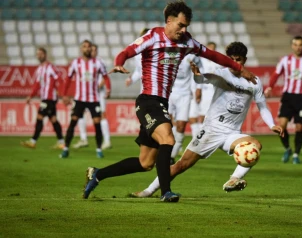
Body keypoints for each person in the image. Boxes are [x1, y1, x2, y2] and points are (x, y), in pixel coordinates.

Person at [81, 1, 256, 203]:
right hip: (147, 101)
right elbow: (127, 51)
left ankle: (97, 174)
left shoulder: (187, 42)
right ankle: (166, 192)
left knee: (145, 162)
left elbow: (214, 56)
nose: (183, 30)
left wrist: (240, 68)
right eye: (180, 25)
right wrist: (119, 63)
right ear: (169, 20)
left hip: (161, 102)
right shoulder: (153, 36)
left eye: (186, 26)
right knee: (169, 140)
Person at [132, 42, 283, 198]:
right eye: (231, 59)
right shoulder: (222, 73)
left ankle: (234, 179)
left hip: (231, 134)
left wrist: (272, 124)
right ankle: (148, 191)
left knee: (255, 145)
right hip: (211, 131)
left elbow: (262, 106)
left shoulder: (254, 82)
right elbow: (202, 80)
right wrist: (197, 75)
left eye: (238, 60)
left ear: (244, 60)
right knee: (181, 165)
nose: (234, 63)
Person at [264, 35, 302, 164]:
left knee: (299, 128)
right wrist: (269, 87)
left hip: (301, 98)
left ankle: (296, 154)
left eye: (300, 45)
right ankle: (288, 148)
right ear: (292, 46)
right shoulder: (285, 60)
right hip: (288, 97)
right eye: (295, 45)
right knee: (282, 126)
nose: (298, 47)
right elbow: (276, 74)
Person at [60, 40, 111, 159]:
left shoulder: (98, 63)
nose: (87, 49)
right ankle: (66, 148)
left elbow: (106, 77)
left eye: (88, 47)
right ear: (81, 49)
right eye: (84, 47)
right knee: (73, 122)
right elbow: (67, 79)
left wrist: (108, 89)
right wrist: (64, 95)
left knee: (97, 123)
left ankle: (99, 149)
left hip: (94, 99)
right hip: (79, 99)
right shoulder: (75, 63)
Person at [21, 47, 64, 149]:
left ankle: (33, 141)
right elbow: (37, 84)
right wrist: (30, 96)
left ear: (45, 55)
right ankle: (61, 142)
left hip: (50, 98)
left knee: (39, 117)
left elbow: (60, 79)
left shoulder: (51, 67)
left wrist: (61, 93)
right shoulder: (40, 69)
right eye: (38, 54)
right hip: (45, 98)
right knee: (53, 119)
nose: (39, 55)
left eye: (41, 53)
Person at [73, 44, 112, 150]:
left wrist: (98, 87)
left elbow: (105, 77)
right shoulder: (85, 63)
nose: (93, 52)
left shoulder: (100, 62)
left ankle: (107, 141)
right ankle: (83, 138)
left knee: (102, 116)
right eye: (92, 50)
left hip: (99, 94)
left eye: (95, 50)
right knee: (80, 114)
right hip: (86, 95)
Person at [168, 54, 203, 164]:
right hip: (168, 93)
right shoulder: (168, 52)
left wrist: (198, 88)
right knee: (166, 124)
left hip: (184, 94)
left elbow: (199, 69)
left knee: (181, 126)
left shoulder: (191, 56)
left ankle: (172, 156)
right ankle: (163, 151)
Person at [198, 42, 221, 123]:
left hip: (214, 91)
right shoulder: (201, 61)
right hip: (204, 91)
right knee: (202, 114)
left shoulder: (218, 62)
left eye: (213, 50)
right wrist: (198, 90)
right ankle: (201, 133)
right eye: (209, 50)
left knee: (214, 114)